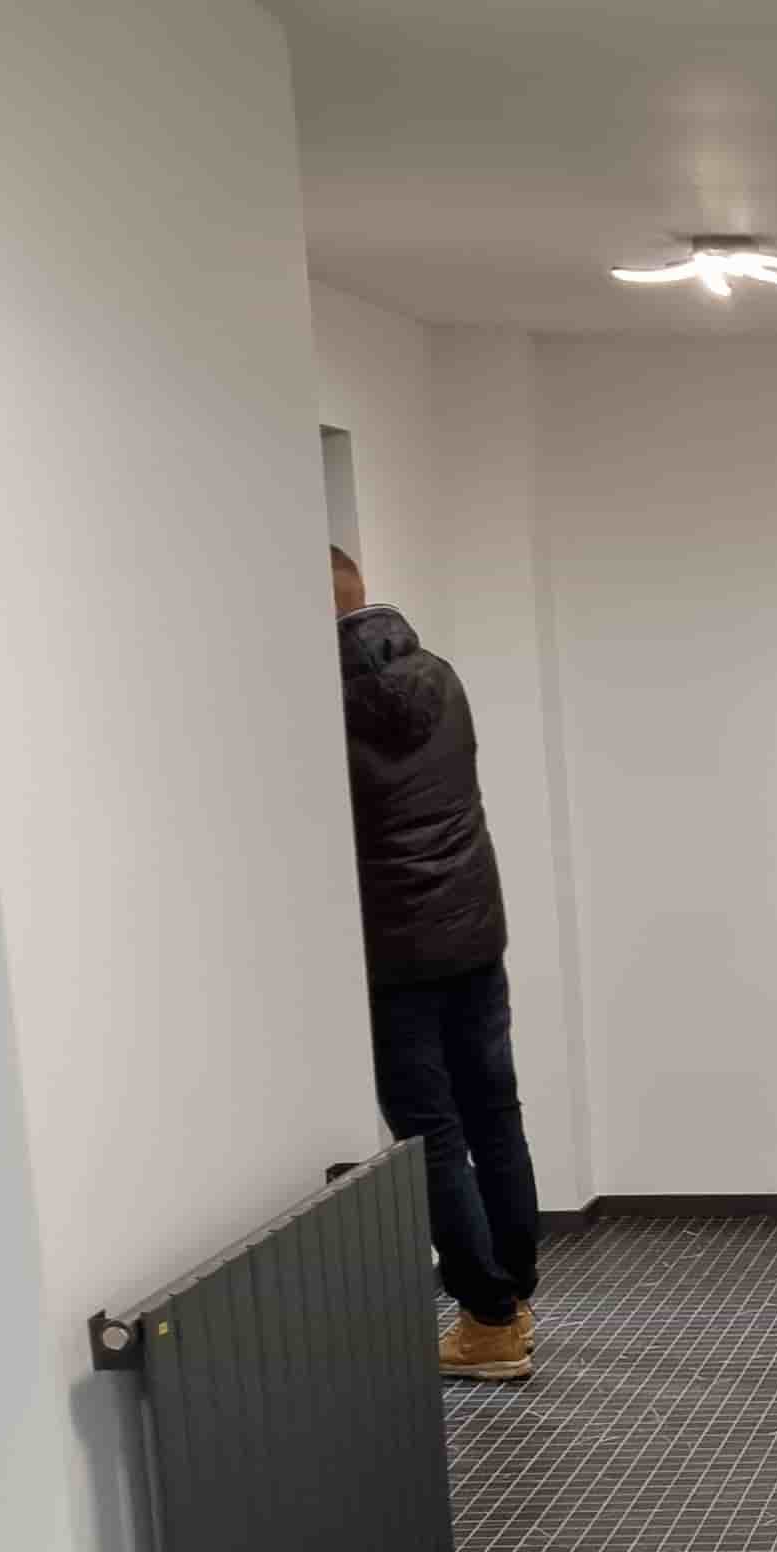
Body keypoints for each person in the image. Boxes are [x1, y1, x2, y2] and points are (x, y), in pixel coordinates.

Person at [331, 548, 541, 1381]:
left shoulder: (324, 705)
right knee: (496, 1115)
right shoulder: (440, 677)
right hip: (473, 930)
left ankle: (488, 1321)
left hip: (394, 955)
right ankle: (513, 1298)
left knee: (432, 1138)